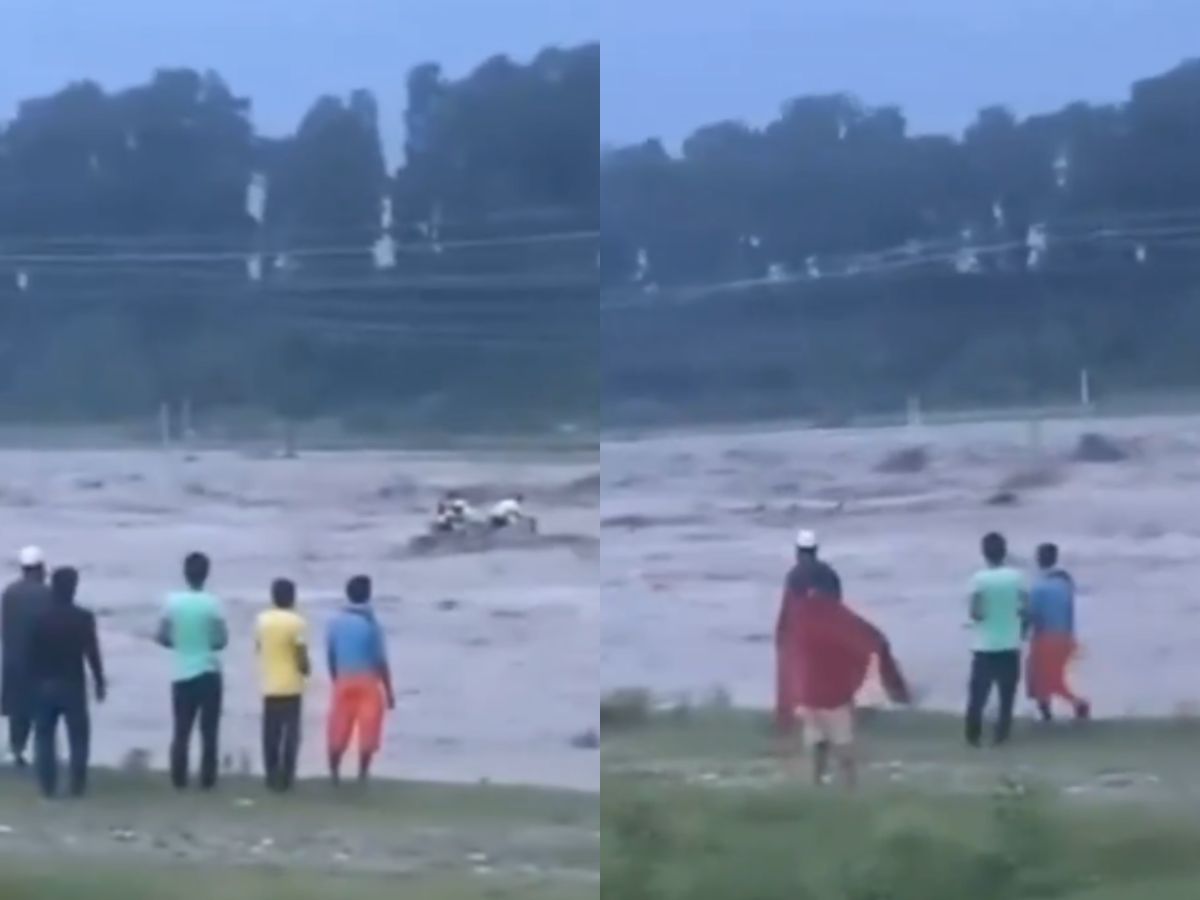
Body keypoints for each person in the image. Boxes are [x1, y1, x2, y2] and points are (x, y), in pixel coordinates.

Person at [775, 538, 910, 787]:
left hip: (810, 685)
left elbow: (785, 626)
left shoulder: (799, 608)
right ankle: (849, 785)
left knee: (816, 737)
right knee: (841, 738)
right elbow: (868, 636)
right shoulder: (833, 592)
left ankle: (819, 780)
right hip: (834, 687)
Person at [28, 566, 106, 798]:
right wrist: (99, 681)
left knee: (44, 736)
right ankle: (77, 784)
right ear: (73, 588)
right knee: (78, 737)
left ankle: (47, 784)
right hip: (73, 683)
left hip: (44, 683)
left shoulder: (39, 618)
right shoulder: (83, 618)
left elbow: (31, 653)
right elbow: (92, 653)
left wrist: (31, 681)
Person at [157, 552, 227, 790]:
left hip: (181, 672)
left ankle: (179, 779)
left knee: (181, 730)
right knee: (209, 731)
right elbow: (221, 640)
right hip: (208, 670)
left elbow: (162, 637)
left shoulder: (172, 602)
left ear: (185, 573)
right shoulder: (213, 603)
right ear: (206, 574)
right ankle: (207, 780)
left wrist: (180, 643)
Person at [326, 575, 395, 785]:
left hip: (343, 679)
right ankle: (362, 774)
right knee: (369, 728)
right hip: (367, 681)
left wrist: (336, 679)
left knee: (338, 726)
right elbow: (380, 661)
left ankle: (334, 773)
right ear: (368, 595)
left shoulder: (335, 622)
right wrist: (389, 691)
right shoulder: (372, 624)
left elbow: (331, 654)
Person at [965, 532, 1028, 747]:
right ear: (1005, 552)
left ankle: (973, 736)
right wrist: (1022, 629)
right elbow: (1026, 608)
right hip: (1010, 644)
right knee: (1006, 695)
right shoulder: (1016, 577)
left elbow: (976, 613)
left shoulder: (979, 579)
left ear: (984, 553)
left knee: (978, 696)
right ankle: (1001, 736)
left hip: (984, 646)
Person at [255, 578, 310, 792]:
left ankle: (271, 774)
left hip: (270, 684)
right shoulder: (296, 622)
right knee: (292, 734)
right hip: (292, 686)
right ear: (292, 597)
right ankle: (287, 776)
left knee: (270, 733)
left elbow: (259, 647)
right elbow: (300, 655)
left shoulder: (262, 620)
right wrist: (306, 669)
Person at [1027, 543, 1090, 723]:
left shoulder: (1040, 587)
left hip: (1047, 638)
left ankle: (1074, 706)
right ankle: (1058, 711)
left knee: (1044, 680)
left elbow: (1033, 615)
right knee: (1052, 679)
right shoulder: (1065, 583)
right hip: (1066, 638)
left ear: (1039, 559)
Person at [1, 546, 52, 768]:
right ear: (40, 569)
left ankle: (16, 751)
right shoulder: (47, 594)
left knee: (17, 710)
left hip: (13, 658)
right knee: (41, 711)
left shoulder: (9, 593)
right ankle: (41, 754)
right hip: (40, 661)